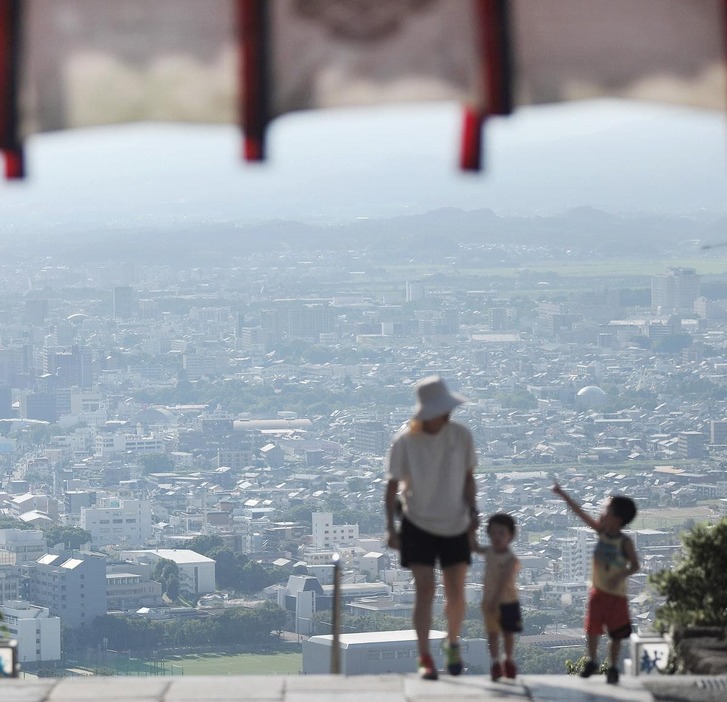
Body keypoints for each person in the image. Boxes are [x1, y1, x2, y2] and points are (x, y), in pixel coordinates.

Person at [384, 375, 478, 680]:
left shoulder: (461, 436)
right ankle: (424, 656)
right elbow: (392, 486)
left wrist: (473, 512)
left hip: (455, 522)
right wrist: (391, 528)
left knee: (456, 593)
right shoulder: (405, 442)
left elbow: (468, 479)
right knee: (425, 589)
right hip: (417, 521)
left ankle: (452, 643)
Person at [552, 482, 640, 685]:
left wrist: (620, 575)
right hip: (598, 592)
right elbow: (580, 513)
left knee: (615, 634)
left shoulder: (625, 542)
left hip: (616, 595)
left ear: (617, 519)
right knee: (592, 628)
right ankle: (592, 660)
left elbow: (635, 565)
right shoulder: (601, 532)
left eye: (605, 510)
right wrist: (563, 495)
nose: (601, 513)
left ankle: (612, 666)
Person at [472, 512, 522, 681]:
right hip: (489, 602)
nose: (497, 537)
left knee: (508, 633)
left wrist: (494, 600)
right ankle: (495, 663)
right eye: (493, 533)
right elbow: (475, 547)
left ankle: (508, 660)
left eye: (502, 533)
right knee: (492, 634)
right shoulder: (489, 552)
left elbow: (503, 580)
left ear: (511, 535)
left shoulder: (511, 558)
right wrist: (471, 528)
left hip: (507, 601)